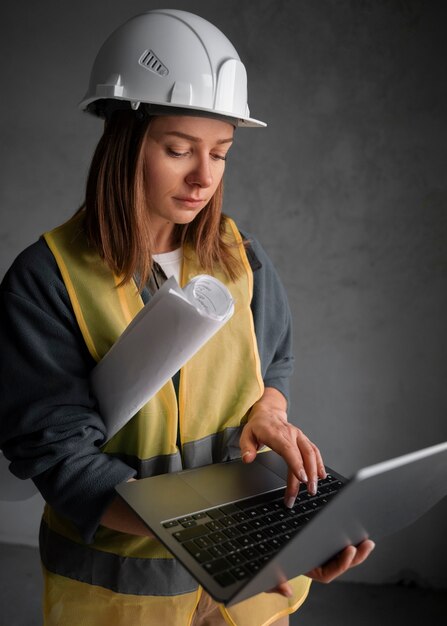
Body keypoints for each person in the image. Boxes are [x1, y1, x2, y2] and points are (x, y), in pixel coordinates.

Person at [0, 9, 374, 626]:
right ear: (123, 142)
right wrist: (218, 530)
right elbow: (63, 462)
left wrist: (270, 415)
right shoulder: (46, 281)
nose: (204, 177)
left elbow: (271, 361)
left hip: (248, 592)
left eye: (221, 154)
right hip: (127, 598)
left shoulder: (237, 256)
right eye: (179, 150)